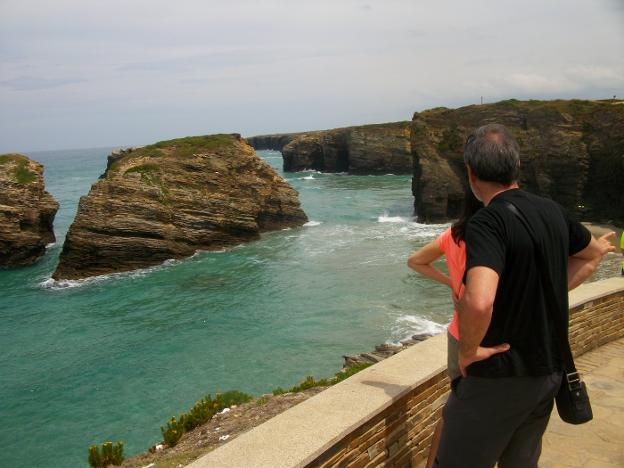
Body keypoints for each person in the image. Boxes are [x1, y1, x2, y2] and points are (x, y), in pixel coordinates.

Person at [433, 124, 615, 467]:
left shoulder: (488, 222)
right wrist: (546, 295)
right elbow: (592, 253)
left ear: (471, 173)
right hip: (547, 372)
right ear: (515, 166)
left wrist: (469, 350)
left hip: (501, 376)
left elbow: (479, 300)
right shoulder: (552, 210)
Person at [407, 190, 483, 468]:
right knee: (479, 412)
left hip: (457, 332)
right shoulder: (493, 237)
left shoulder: (454, 234)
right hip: (482, 338)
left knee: (456, 407)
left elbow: (415, 260)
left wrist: (450, 282)